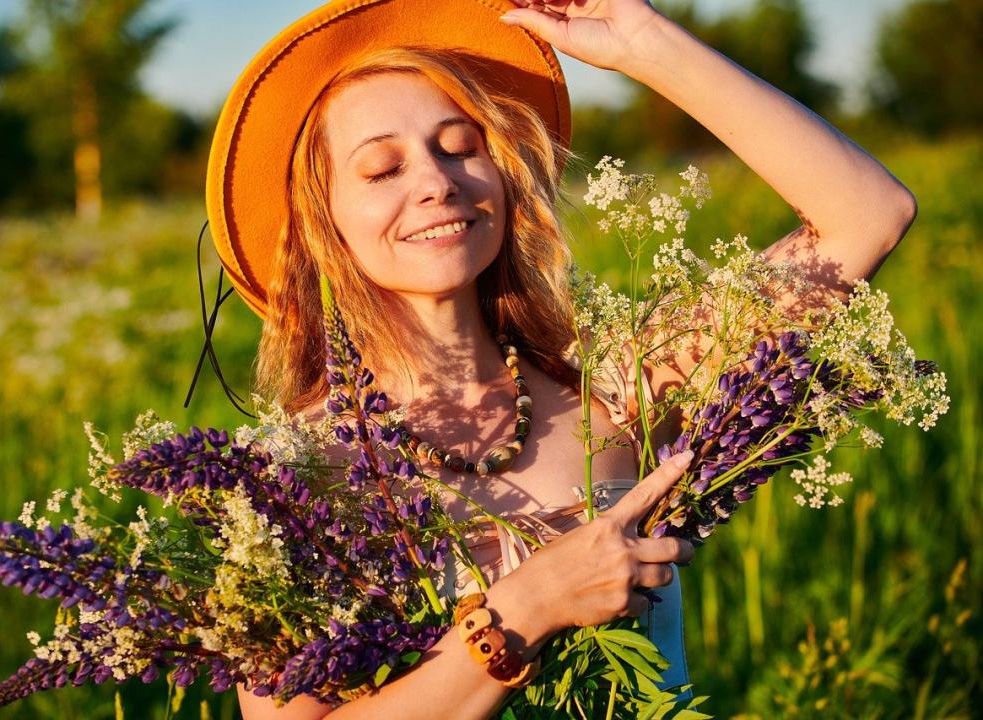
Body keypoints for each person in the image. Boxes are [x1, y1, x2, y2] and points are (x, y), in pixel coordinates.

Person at [204, 1, 917, 718]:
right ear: (320, 219)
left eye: (460, 146)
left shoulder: (619, 385)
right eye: (383, 168)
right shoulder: (284, 482)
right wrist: (530, 607)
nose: (437, 181)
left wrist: (644, 42)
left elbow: (867, 214)